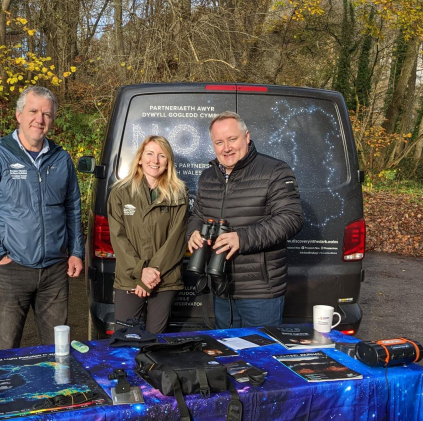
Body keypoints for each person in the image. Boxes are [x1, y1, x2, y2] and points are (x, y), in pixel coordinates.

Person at [0, 86, 84, 349]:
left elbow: (72, 208)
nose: (40, 119)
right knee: (6, 346)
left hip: (54, 270)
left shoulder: (61, 159)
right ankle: (6, 390)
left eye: (47, 114)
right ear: (18, 114)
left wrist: (76, 251)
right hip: (12, 269)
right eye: (33, 111)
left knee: (58, 347)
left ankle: (56, 391)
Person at [187, 111, 304, 328]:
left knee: (261, 357)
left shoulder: (275, 170)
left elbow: (292, 218)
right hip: (220, 286)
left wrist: (241, 238)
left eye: (232, 139)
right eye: (219, 142)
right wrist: (192, 233)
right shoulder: (208, 177)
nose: (226, 148)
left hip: (260, 291)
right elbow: (197, 216)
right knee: (229, 355)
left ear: (247, 136)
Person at [107, 135, 188, 334]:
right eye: (150, 154)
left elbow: (176, 240)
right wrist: (140, 272)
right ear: (140, 158)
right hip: (129, 277)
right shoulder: (120, 192)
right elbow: (118, 237)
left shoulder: (179, 193)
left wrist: (151, 275)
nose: (155, 160)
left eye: (162, 156)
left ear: (168, 162)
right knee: (124, 340)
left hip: (165, 279)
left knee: (155, 342)